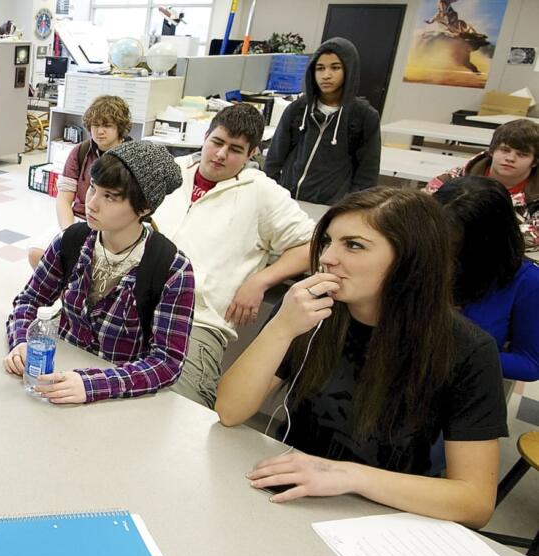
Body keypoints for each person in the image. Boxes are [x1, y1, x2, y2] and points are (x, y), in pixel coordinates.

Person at [215, 188, 508, 528]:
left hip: (385, 513)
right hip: (290, 488)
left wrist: (346, 475)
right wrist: (280, 329)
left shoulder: (468, 349)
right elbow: (230, 411)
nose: (327, 257)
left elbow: (475, 502)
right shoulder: (308, 310)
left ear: (409, 259)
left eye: (353, 245)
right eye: (327, 241)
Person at [5, 141, 195, 404]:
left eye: (110, 197)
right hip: (60, 379)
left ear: (144, 208)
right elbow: (28, 300)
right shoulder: (73, 240)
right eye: (93, 189)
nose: (91, 204)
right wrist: (21, 341)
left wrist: (93, 385)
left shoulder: (171, 268)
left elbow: (167, 362)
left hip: (124, 396)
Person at [152, 104, 315, 408]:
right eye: (217, 142)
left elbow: (314, 245)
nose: (221, 155)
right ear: (205, 136)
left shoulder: (262, 193)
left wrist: (262, 280)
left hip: (195, 323)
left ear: (252, 153)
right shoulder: (171, 172)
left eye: (235, 149)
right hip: (134, 305)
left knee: (173, 410)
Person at [433, 175, 539, 383]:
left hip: (461, 387)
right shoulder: (422, 254)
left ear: (486, 244)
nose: (441, 251)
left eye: (454, 244)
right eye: (435, 237)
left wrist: (449, 356)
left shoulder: (527, 282)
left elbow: (530, 364)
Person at [264, 37, 381, 204]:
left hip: (330, 209)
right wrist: (273, 196)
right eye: (320, 68)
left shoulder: (363, 116)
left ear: (349, 70)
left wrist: (347, 208)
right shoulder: (298, 109)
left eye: (335, 68)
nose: (326, 75)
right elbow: (273, 161)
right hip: (287, 203)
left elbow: (367, 176)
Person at [27, 95, 132, 269]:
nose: (100, 131)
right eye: (95, 125)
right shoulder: (80, 151)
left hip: (113, 225)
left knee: (93, 268)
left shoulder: (131, 156)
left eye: (107, 125)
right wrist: (70, 234)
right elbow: (64, 199)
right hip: (79, 219)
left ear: (119, 128)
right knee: (37, 254)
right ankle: (67, 293)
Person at [426, 117, 539, 249]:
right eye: (505, 150)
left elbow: (534, 235)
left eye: (522, 154)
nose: (510, 158)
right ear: (491, 151)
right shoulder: (454, 178)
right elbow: (427, 211)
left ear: (535, 162)